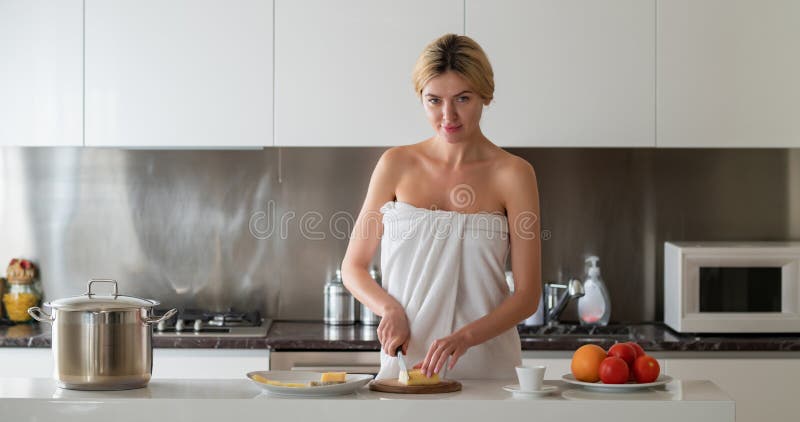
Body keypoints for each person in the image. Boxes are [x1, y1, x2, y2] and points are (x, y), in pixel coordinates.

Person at [341, 34, 541, 380]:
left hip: (488, 368)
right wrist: (389, 309)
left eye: (462, 98)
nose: (448, 115)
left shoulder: (514, 174)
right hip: (407, 367)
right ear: (421, 98)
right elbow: (353, 267)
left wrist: (465, 337)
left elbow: (527, 296)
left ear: (485, 96)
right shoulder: (396, 164)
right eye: (434, 100)